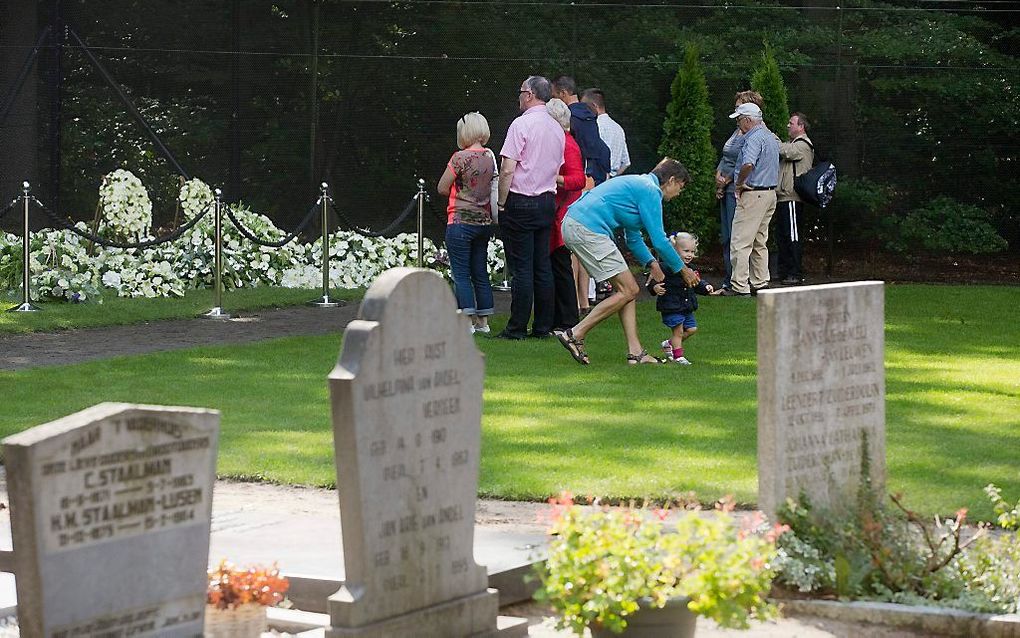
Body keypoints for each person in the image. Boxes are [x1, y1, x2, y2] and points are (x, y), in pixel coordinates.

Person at [557, 158, 701, 365]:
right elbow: (660, 241)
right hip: (588, 228)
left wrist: (652, 264)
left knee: (627, 290)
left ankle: (636, 353)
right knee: (629, 290)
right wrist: (682, 269)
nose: (679, 192)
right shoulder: (651, 191)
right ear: (671, 180)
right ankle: (575, 334)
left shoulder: (640, 186)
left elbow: (633, 238)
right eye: (681, 186)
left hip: (577, 225)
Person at [496, 75, 565, 340]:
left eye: (521, 91)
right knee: (542, 266)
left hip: (521, 199)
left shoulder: (521, 124)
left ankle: (516, 328)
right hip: (547, 201)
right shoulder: (556, 128)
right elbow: (556, 165)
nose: (519, 96)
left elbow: (507, 169)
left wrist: (502, 203)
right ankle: (543, 326)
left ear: (530, 94)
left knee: (522, 267)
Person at [437, 112, 497, 334]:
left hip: (460, 220)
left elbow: (442, 186)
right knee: (480, 271)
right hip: (484, 222)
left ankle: (467, 320)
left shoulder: (459, 158)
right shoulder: (489, 157)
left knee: (460, 272)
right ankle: (484, 322)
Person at [719, 103, 780, 297]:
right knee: (760, 241)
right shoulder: (770, 136)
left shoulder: (753, 138)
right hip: (770, 193)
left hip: (753, 194)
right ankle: (760, 282)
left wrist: (739, 183)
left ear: (747, 120)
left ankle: (739, 285)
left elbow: (747, 163)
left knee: (740, 242)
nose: (738, 124)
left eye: (739, 120)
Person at [713, 90, 764, 293]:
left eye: (740, 106)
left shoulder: (754, 134)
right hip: (725, 188)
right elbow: (727, 157)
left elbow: (746, 163)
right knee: (727, 236)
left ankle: (738, 280)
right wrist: (718, 178)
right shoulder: (737, 132)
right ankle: (729, 277)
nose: (736, 110)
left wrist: (726, 181)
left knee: (738, 237)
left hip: (738, 190)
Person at [546, 98, 586, 332]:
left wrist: (553, 178)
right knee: (556, 266)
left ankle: (567, 320)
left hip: (563, 213)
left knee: (560, 267)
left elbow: (578, 180)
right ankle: (559, 319)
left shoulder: (567, 144)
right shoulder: (561, 141)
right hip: (557, 211)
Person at [646, 232, 713, 365]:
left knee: (692, 329)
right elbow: (651, 280)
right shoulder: (665, 267)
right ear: (674, 250)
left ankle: (669, 344)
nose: (690, 255)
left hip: (686, 306)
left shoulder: (690, 269)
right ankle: (678, 357)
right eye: (686, 251)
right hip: (671, 305)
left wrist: (706, 287)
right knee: (678, 331)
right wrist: (655, 288)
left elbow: (696, 283)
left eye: (692, 252)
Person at [776, 112, 814, 285]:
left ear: (801, 127)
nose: (788, 126)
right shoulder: (793, 144)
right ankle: (784, 272)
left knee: (793, 236)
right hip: (784, 197)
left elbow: (785, 151)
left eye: (791, 123)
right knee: (783, 236)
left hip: (793, 197)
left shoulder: (803, 145)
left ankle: (795, 273)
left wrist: (769, 137)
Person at [551, 76, 611, 187]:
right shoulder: (590, 114)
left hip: (580, 176)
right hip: (598, 172)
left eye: (554, 96)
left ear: (563, 93)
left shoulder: (567, 117)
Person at [580, 88, 631, 178]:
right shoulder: (618, 128)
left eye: (585, 106)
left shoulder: (593, 127)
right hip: (611, 182)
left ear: (594, 105)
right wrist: (611, 177)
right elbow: (626, 163)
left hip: (595, 179)